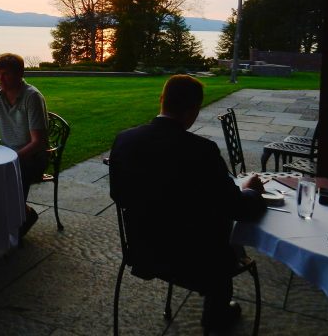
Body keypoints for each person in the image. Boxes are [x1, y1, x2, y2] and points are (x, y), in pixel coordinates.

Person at [108, 75, 266, 333]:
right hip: (198, 262)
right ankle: (216, 316)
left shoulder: (125, 140)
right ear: (193, 110)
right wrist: (251, 192)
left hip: (143, 251)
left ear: (162, 100)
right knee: (225, 246)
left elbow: (119, 195)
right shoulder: (202, 150)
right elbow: (236, 208)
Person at [0, 52, 48, 236]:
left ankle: (23, 215)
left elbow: (38, 142)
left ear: (20, 74)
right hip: (6, 153)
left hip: (33, 156)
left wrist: (11, 158)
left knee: (7, 175)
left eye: (6, 74)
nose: (0, 79)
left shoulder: (32, 97)